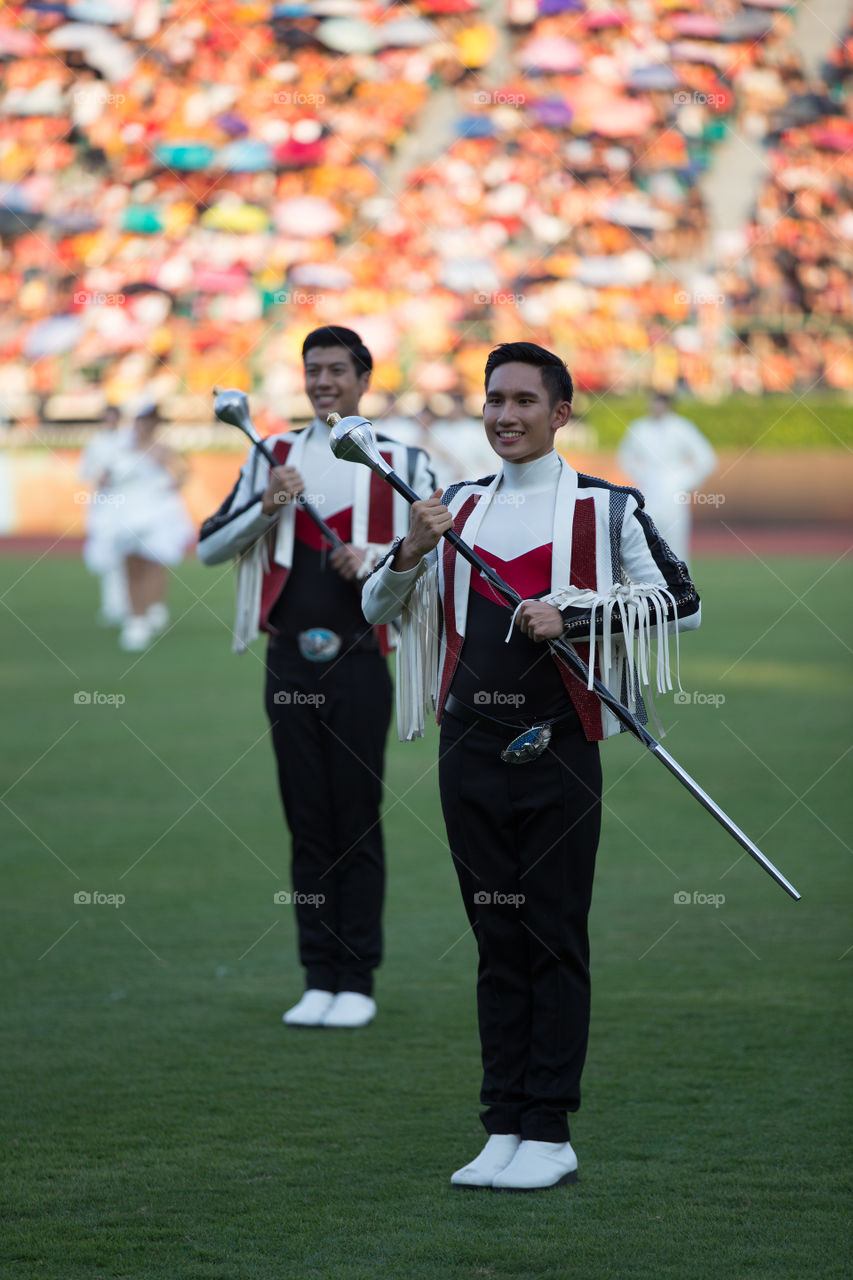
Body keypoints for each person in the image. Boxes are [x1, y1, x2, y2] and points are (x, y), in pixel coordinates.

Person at [362, 342, 701, 1190]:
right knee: (494, 936)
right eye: (492, 401)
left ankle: (549, 1128)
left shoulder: (605, 507)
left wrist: (575, 615)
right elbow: (376, 603)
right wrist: (408, 548)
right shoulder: (451, 508)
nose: (503, 415)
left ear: (559, 413)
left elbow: (681, 602)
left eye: (522, 401)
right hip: (466, 748)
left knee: (550, 933)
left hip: (554, 748)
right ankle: (502, 1122)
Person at [197, 326, 435, 1030]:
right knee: (306, 819)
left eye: (337, 369)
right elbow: (210, 545)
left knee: (354, 818)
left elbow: (441, 548)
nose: (323, 380)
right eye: (313, 370)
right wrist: (266, 504)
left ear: (364, 379)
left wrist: (382, 557)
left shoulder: (402, 460)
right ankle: (317, 974)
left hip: (362, 659)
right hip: (288, 658)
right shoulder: (269, 454)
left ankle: (356, 976)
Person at [109, 401, 194, 652]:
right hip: (127, 515)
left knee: (153, 563)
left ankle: (150, 609)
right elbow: (106, 475)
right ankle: (135, 617)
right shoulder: (123, 449)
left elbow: (182, 472)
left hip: (154, 516)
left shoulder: (162, 450)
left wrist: (169, 486)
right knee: (130, 565)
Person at [617, 393, 717, 562]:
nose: (655, 408)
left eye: (659, 404)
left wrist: (684, 480)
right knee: (646, 540)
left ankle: (680, 586)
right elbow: (625, 457)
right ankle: (649, 586)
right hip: (648, 490)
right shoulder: (639, 427)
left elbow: (706, 458)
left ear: (668, 405)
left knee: (676, 542)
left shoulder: (681, 427)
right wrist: (642, 476)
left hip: (674, 491)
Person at [79, 403, 130, 627]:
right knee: (108, 558)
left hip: (126, 505)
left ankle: (134, 604)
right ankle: (113, 606)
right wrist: (98, 477)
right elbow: (83, 470)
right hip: (103, 504)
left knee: (130, 556)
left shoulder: (128, 440)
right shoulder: (95, 442)